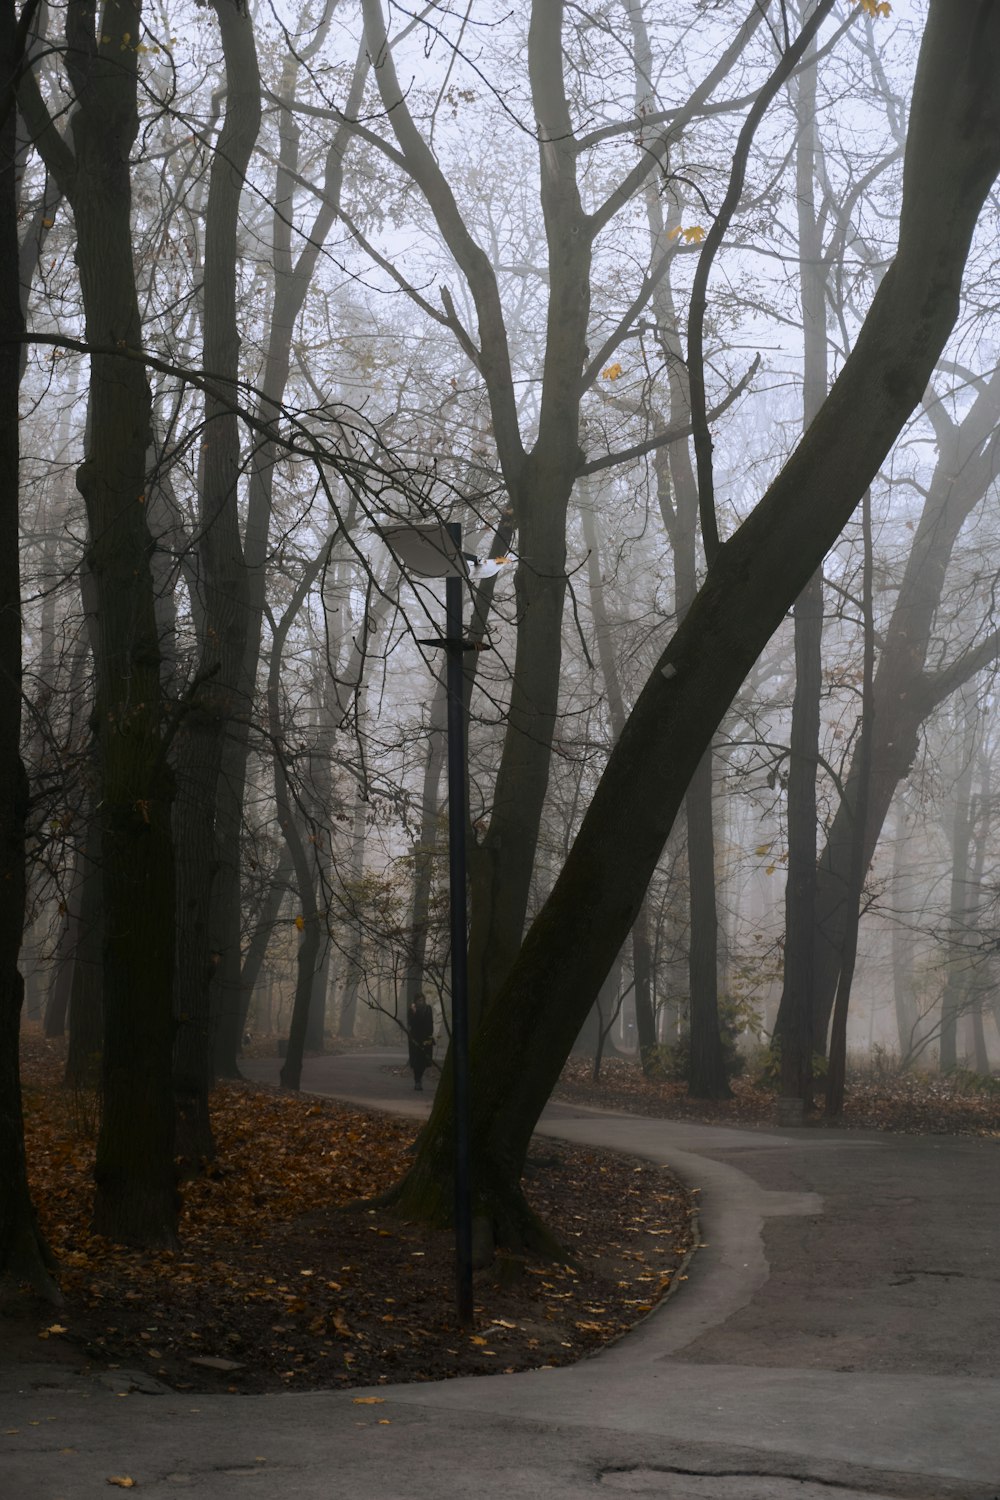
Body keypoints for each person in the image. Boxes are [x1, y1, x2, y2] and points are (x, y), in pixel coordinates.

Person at [407, 993, 434, 1091]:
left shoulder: (428, 1009)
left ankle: (419, 1078)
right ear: (415, 1001)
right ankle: (417, 1081)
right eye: (419, 1000)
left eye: (422, 1000)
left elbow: (430, 1023)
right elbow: (411, 1023)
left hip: (426, 1039)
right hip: (415, 1039)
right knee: (416, 1062)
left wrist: (430, 1037)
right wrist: (414, 1013)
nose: (420, 1002)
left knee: (424, 1061)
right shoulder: (412, 1010)